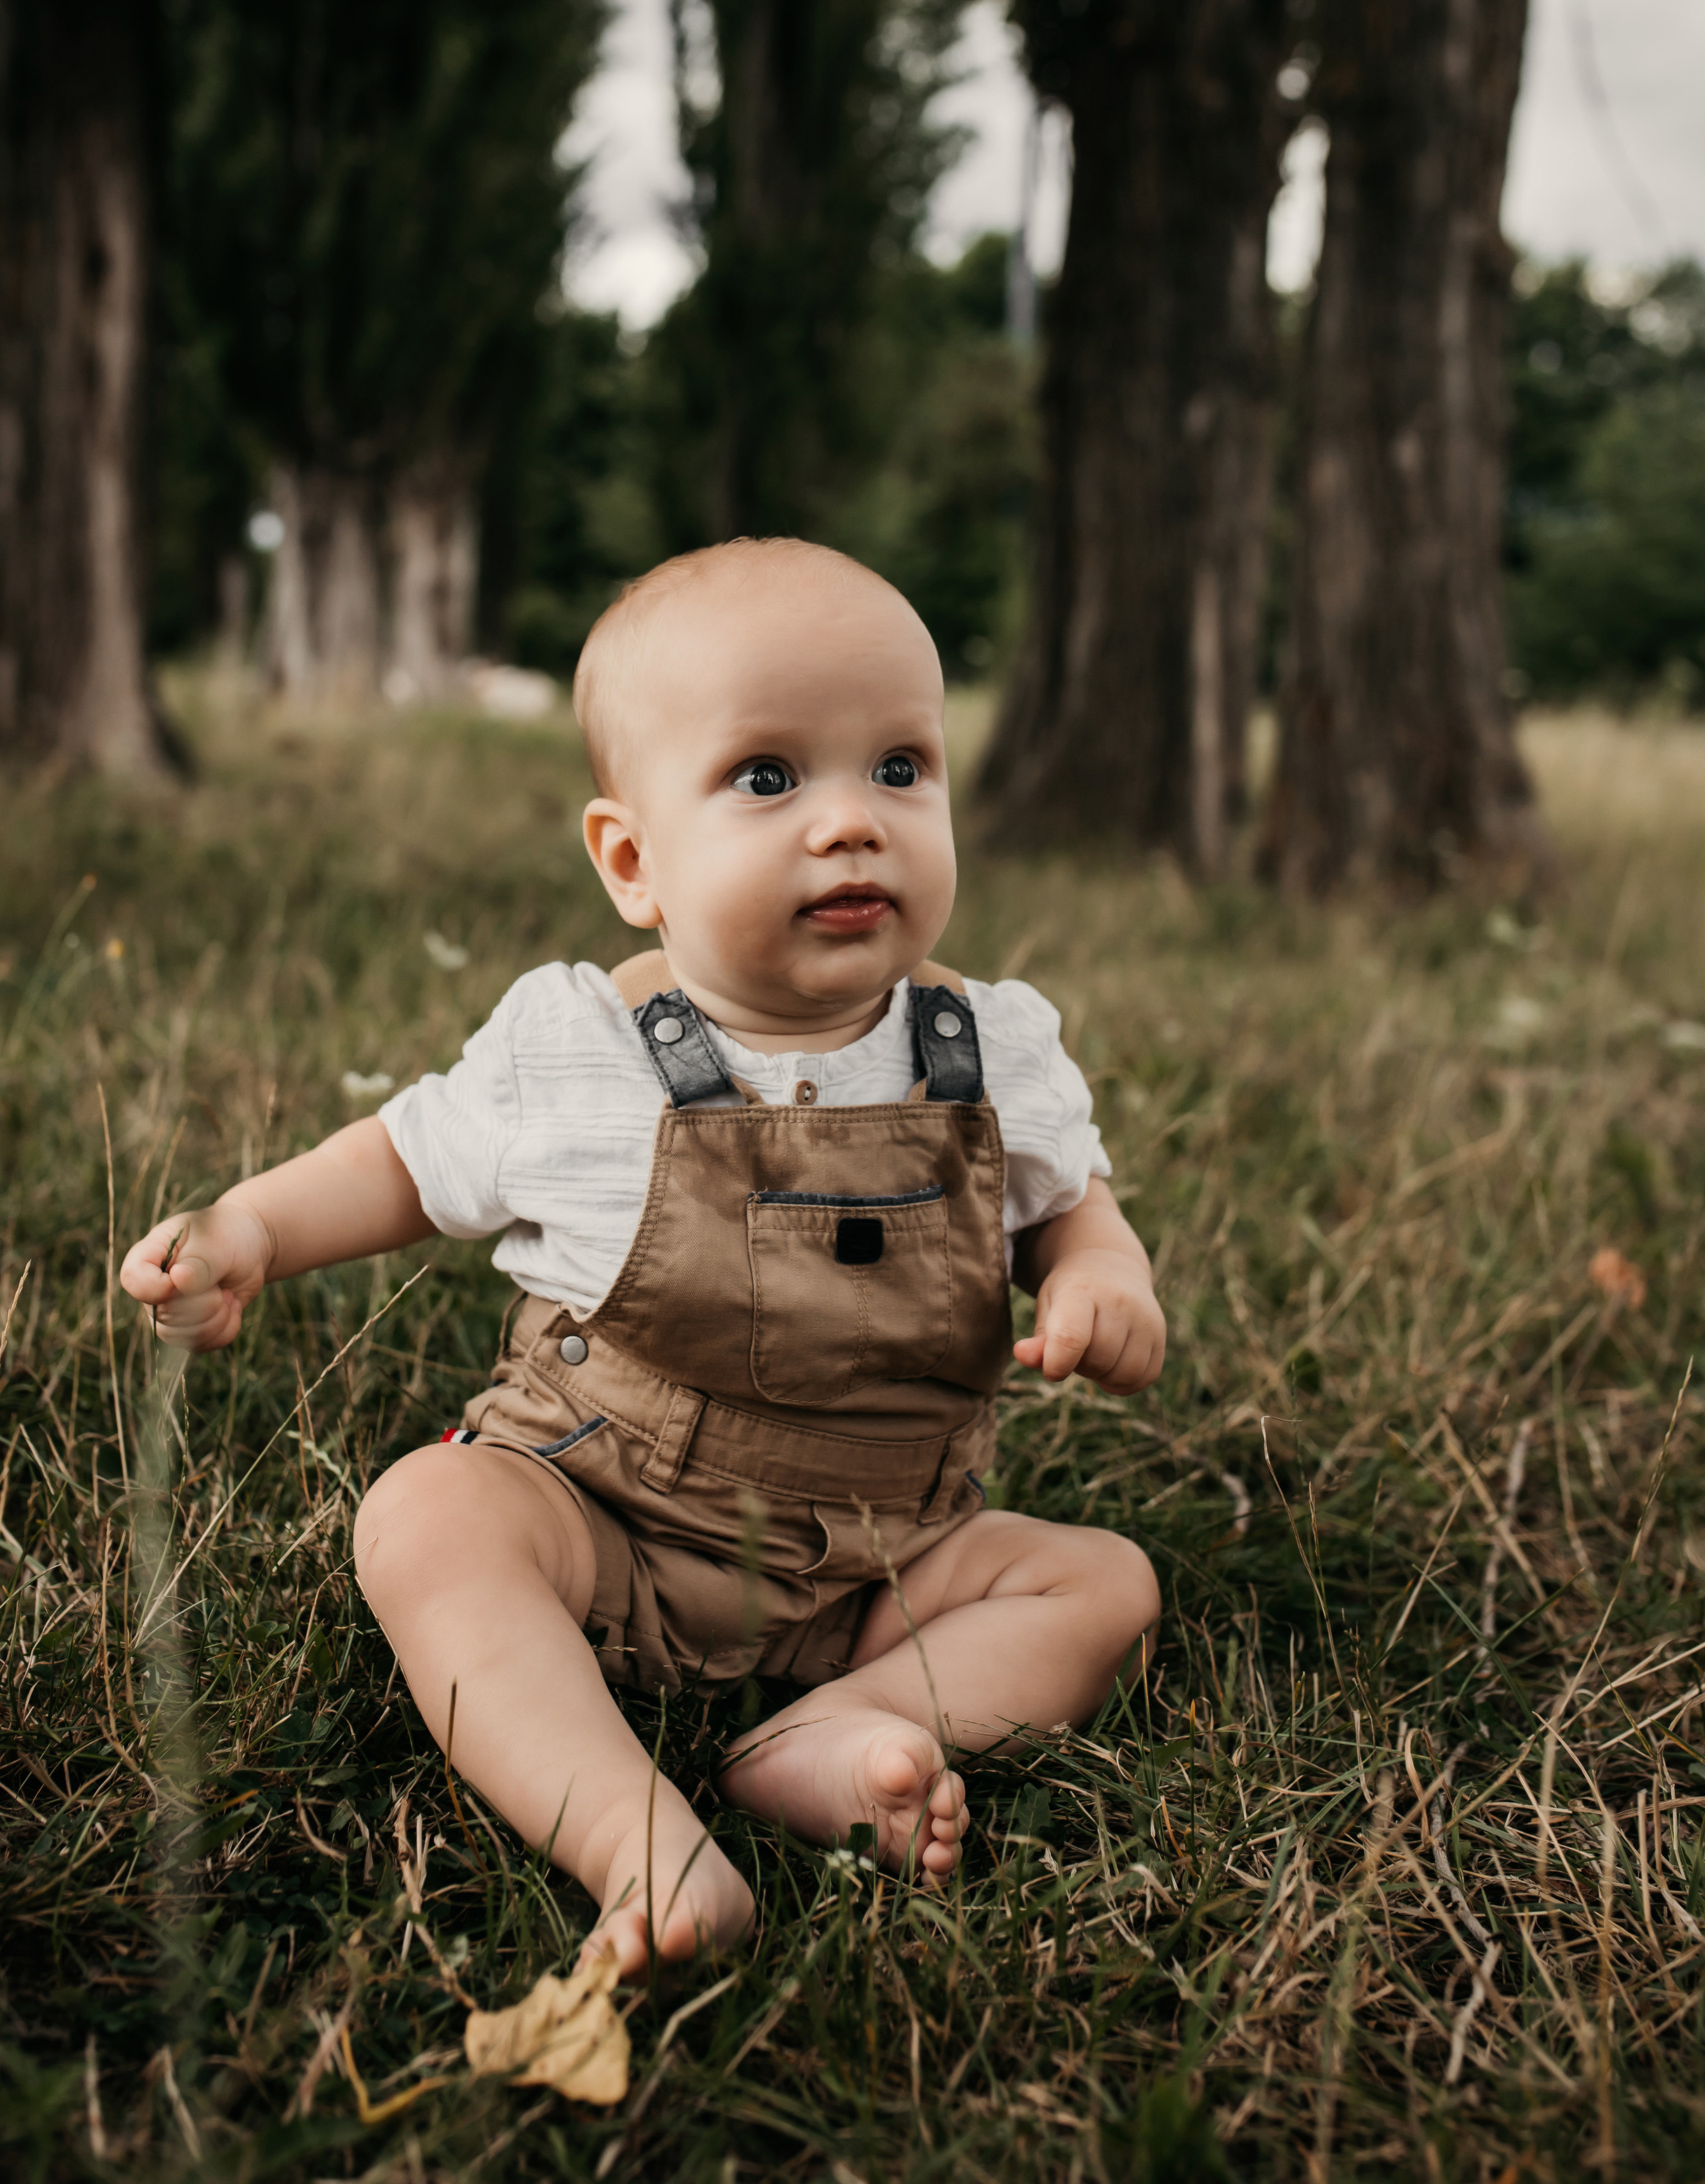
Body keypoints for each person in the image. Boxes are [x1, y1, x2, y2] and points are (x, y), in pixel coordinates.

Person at [121, 540, 1163, 1978]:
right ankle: (636, 1837)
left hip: (886, 1559)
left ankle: (838, 1732)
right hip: (604, 1518)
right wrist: (249, 1227)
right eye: (767, 778)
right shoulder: (587, 1052)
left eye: (899, 771)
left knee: (1100, 1584)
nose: (849, 825)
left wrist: (1103, 1274)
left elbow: (1069, 1205)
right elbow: (404, 1163)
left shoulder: (988, 1051)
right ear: (631, 861)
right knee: (427, 1519)